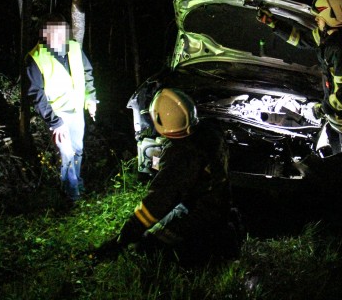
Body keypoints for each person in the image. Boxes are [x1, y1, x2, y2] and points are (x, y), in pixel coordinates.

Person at [95, 88, 240, 264]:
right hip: (216, 202)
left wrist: (128, 233)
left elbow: (159, 200)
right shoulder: (210, 131)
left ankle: (215, 245)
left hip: (202, 212)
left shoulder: (182, 155)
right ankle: (223, 229)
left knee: (147, 245)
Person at [257, 0, 342, 156]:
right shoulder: (330, 36)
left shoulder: (341, 49)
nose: (316, 19)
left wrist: (321, 109)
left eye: (319, 16)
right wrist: (273, 23)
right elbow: (301, 39)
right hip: (337, 119)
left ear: (331, 18)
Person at [26, 14, 98, 202]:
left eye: (62, 32)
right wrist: (55, 121)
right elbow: (36, 93)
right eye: (55, 33)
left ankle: (76, 183)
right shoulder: (36, 57)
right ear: (45, 35)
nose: (60, 37)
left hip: (76, 111)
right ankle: (72, 194)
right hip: (57, 115)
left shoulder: (74, 48)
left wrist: (91, 99)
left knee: (78, 149)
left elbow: (87, 72)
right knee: (66, 152)